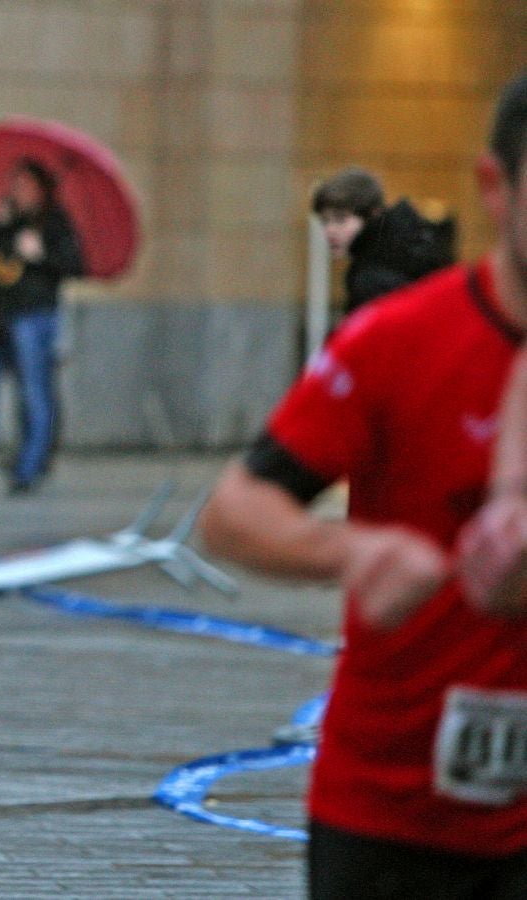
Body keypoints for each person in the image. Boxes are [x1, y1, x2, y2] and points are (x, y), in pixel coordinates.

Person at [197, 70, 527, 899]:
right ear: (495, 187)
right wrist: (352, 547)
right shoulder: (398, 339)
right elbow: (237, 511)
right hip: (392, 807)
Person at [0, 158, 83, 495]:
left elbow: (74, 264)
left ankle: (29, 467)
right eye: (16, 186)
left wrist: (42, 254)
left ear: (42, 191)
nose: (20, 193)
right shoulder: (5, 220)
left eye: (27, 187)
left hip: (34, 316)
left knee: (33, 394)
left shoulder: (54, 223)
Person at [311, 165, 455, 315]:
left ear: (373, 214)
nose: (329, 230)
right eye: (325, 221)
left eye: (340, 219)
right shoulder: (411, 247)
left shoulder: (371, 278)